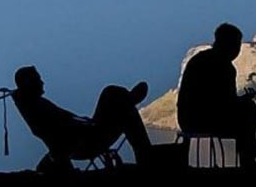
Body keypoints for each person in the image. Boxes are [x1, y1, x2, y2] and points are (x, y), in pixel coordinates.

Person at [11, 65, 152, 171]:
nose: (42, 82)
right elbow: (59, 139)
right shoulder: (39, 109)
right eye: (38, 79)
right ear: (30, 83)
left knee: (114, 96)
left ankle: (127, 101)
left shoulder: (37, 106)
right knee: (114, 96)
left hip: (85, 136)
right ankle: (145, 155)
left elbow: (58, 134)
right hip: (87, 141)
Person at [176, 22, 256, 169]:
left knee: (244, 112)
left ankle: (250, 151)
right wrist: (243, 100)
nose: (238, 49)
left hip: (186, 119)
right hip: (206, 120)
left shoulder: (198, 59)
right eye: (237, 45)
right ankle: (249, 158)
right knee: (248, 109)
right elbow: (225, 103)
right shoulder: (225, 66)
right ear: (229, 44)